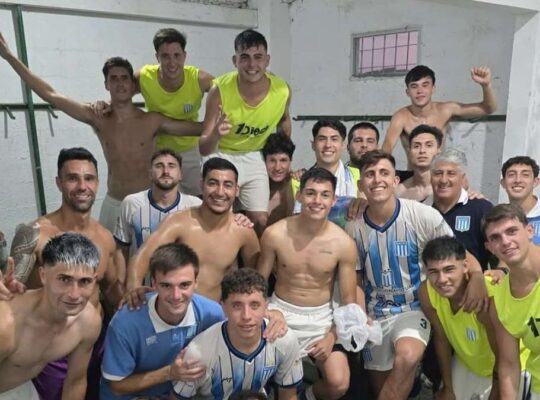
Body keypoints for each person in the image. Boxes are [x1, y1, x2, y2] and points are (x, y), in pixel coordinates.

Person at [0, 32, 202, 232]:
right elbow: (50, 95)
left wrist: (217, 120)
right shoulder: (98, 117)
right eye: (114, 79)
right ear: (106, 84)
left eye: (124, 78)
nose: (120, 83)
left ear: (132, 84)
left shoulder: (152, 120)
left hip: (147, 202)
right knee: (108, 253)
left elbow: (195, 128)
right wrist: (9, 56)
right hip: (114, 203)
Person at [344, 150, 487, 399]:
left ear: (395, 181)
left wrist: (476, 276)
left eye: (384, 173)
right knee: (383, 388)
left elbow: (457, 252)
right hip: (375, 312)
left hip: (414, 307)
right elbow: (355, 276)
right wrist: (360, 314)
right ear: (361, 184)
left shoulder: (422, 215)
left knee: (407, 358)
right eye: (370, 174)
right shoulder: (354, 225)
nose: (377, 179)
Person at [5, 147, 122, 400]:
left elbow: (113, 291)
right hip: (50, 347)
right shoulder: (36, 235)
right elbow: (10, 287)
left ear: (97, 182)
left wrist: (135, 299)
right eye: (72, 178)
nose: (82, 186)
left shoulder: (104, 238)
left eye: (89, 178)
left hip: (92, 340)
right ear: (59, 183)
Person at [258, 168, 359, 400]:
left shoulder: (344, 243)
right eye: (311, 193)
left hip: (321, 319)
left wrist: (332, 336)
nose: (317, 201)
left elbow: (349, 302)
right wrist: (268, 312)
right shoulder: (275, 234)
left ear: (334, 200)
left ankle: (305, 396)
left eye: (325, 195)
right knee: (254, 371)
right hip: (280, 312)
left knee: (338, 383)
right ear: (299, 195)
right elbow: (257, 286)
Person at [100, 243, 225, 400]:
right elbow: (117, 386)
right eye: (166, 285)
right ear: (153, 284)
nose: (176, 295)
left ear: (196, 282)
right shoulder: (126, 322)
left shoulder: (213, 314)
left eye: (184, 285)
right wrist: (170, 373)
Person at [126, 157, 260, 302]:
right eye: (212, 183)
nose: (220, 192)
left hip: (214, 312)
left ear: (236, 190)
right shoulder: (178, 222)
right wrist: (133, 291)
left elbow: (255, 278)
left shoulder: (243, 231)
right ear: (202, 185)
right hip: (175, 308)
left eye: (227, 185)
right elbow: (141, 258)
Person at [199, 29, 292, 234]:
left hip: (254, 155)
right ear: (235, 61)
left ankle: (253, 256)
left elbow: (284, 123)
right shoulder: (219, 90)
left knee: (260, 221)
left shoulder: (282, 90)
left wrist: (283, 159)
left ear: (267, 60)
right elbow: (203, 148)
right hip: (220, 153)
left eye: (258, 57)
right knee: (217, 220)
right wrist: (216, 134)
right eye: (244, 57)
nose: (251, 64)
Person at [419, 236, 529, 399]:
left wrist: (496, 392)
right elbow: (441, 339)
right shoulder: (427, 292)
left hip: (514, 366)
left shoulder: (486, 298)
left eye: (449, 269)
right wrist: (448, 387)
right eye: (433, 272)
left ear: (465, 266)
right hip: (470, 363)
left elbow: (504, 356)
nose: (442, 280)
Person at [170, 268, 303, 400]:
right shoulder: (198, 354)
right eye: (237, 306)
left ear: (266, 307)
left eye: (254, 305)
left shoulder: (284, 340)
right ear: (223, 307)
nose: (246, 316)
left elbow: (288, 395)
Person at [0, 233, 102, 400]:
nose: (74, 295)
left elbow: (75, 382)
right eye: (64, 279)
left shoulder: (88, 322)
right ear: (43, 275)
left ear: (94, 280)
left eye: (84, 281)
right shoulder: (7, 323)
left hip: (21, 389)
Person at [138, 28, 214, 195]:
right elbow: (121, 92)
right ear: (157, 57)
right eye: (165, 56)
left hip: (190, 149)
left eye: (177, 55)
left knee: (198, 198)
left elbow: (227, 95)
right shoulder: (144, 77)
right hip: (157, 150)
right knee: (162, 198)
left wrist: (210, 125)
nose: (172, 62)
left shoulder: (199, 79)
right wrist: (104, 104)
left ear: (184, 56)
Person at [382, 65, 496, 161]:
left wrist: (486, 85)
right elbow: (386, 151)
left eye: (425, 85)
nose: (420, 91)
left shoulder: (445, 110)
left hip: (439, 175)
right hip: (414, 176)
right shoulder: (401, 117)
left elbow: (487, 109)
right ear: (408, 92)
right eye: (414, 86)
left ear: (433, 88)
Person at [483, 204, 540, 399]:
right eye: (495, 238)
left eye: (512, 231)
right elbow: (509, 365)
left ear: (530, 231)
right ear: (489, 247)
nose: (505, 241)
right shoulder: (500, 300)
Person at [114, 148, 201, 269]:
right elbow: (121, 249)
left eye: (171, 166)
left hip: (181, 280)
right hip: (142, 280)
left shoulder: (195, 205)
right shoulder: (131, 203)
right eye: (159, 166)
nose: (166, 171)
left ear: (180, 174)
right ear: (150, 174)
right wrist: (122, 280)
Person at [431, 148, 495, 270]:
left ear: (462, 178)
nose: (443, 180)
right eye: (438, 173)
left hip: (474, 280)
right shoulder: (424, 210)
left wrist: (500, 271)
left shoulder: (481, 208)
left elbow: (499, 252)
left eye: (451, 173)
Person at [395, 124, 442, 203]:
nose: (422, 150)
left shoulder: (447, 187)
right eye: (416, 146)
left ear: (438, 150)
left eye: (429, 145)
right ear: (409, 151)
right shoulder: (398, 192)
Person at [500, 155, 540, 245]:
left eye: (525, 175)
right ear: (503, 183)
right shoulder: (498, 218)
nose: (518, 180)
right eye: (511, 175)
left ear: (535, 182)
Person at [262, 133, 297, 225]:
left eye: (283, 160)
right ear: (264, 161)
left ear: (291, 160)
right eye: (272, 160)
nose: (277, 167)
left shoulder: (297, 186)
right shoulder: (254, 188)